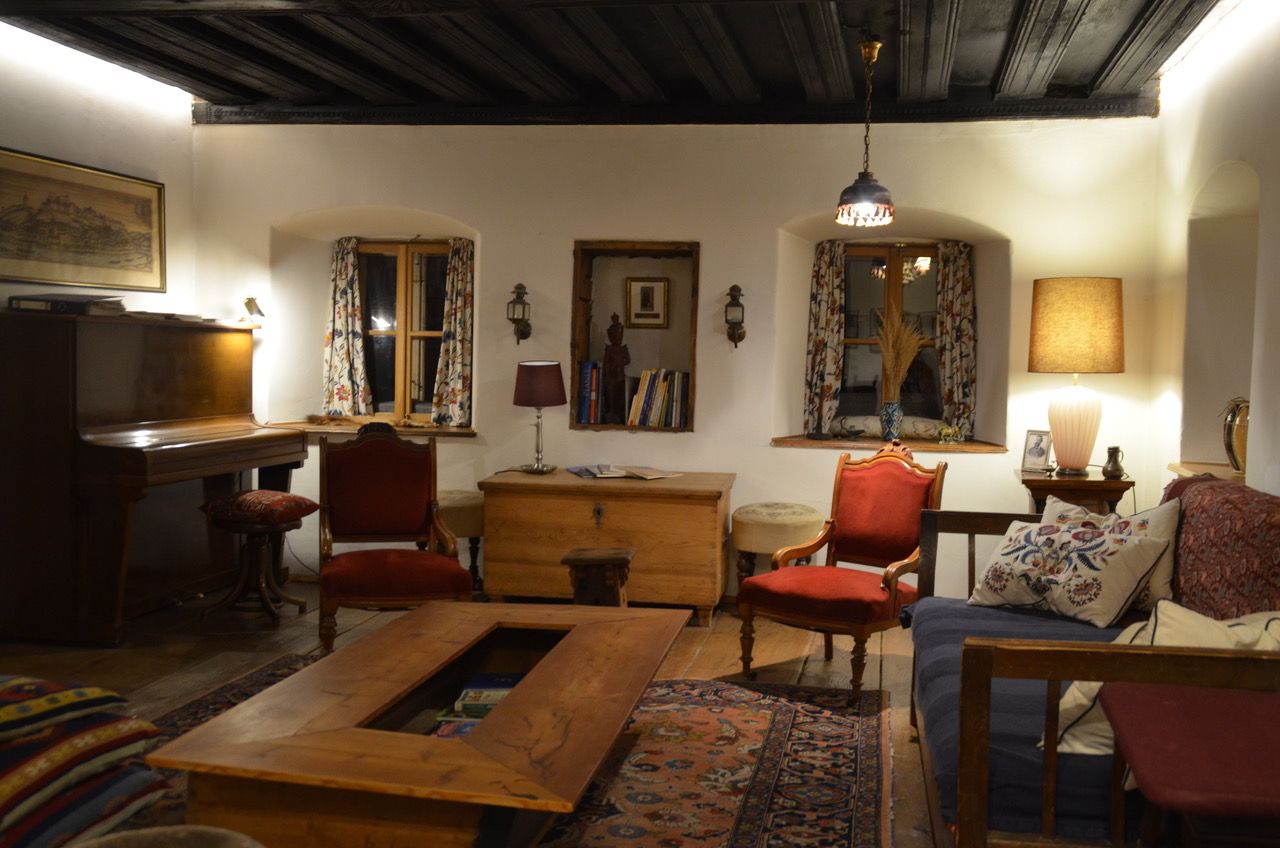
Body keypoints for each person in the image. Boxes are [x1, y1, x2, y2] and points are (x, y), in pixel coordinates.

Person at [602, 313, 630, 424]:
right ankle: (611, 412)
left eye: (619, 335)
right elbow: (605, 363)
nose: (618, 338)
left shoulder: (623, 349)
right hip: (611, 375)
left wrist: (620, 363)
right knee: (610, 395)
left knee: (620, 394)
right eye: (615, 335)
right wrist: (609, 369)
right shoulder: (609, 349)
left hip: (620, 375)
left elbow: (628, 360)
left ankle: (619, 413)